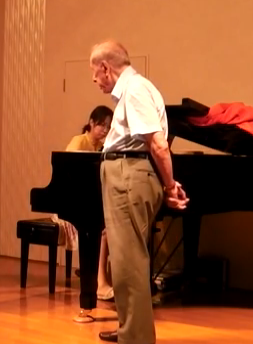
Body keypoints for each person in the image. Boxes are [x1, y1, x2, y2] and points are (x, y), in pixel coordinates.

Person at [89, 41, 189, 343]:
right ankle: (129, 328)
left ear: (106, 68)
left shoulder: (134, 90)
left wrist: (170, 185)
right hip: (125, 174)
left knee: (129, 262)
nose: (94, 80)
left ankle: (138, 338)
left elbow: (158, 143)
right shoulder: (134, 91)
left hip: (128, 176)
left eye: (95, 73)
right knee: (123, 261)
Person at [51, 105, 114, 308]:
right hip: (68, 204)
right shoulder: (79, 142)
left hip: (86, 204)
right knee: (102, 230)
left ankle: (97, 275)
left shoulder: (100, 148)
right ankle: (99, 282)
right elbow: (67, 178)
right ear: (92, 123)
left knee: (109, 225)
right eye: (102, 125)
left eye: (108, 127)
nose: (105, 130)